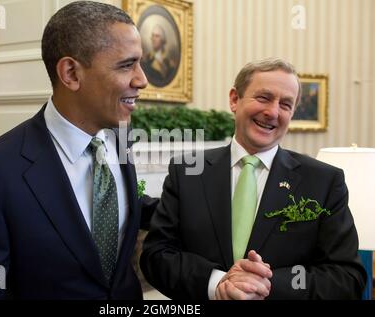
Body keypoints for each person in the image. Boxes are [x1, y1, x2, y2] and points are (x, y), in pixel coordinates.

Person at [0, 1, 158, 299]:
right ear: (70, 73)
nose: (142, 80)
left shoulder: (119, 138)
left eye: (140, 63)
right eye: (126, 65)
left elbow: (125, 205)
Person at [140, 58, 366, 300]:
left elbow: (346, 276)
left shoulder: (323, 181)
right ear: (234, 99)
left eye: (286, 104)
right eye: (264, 98)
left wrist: (266, 285)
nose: (273, 112)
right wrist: (217, 282)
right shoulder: (186, 172)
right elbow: (157, 256)